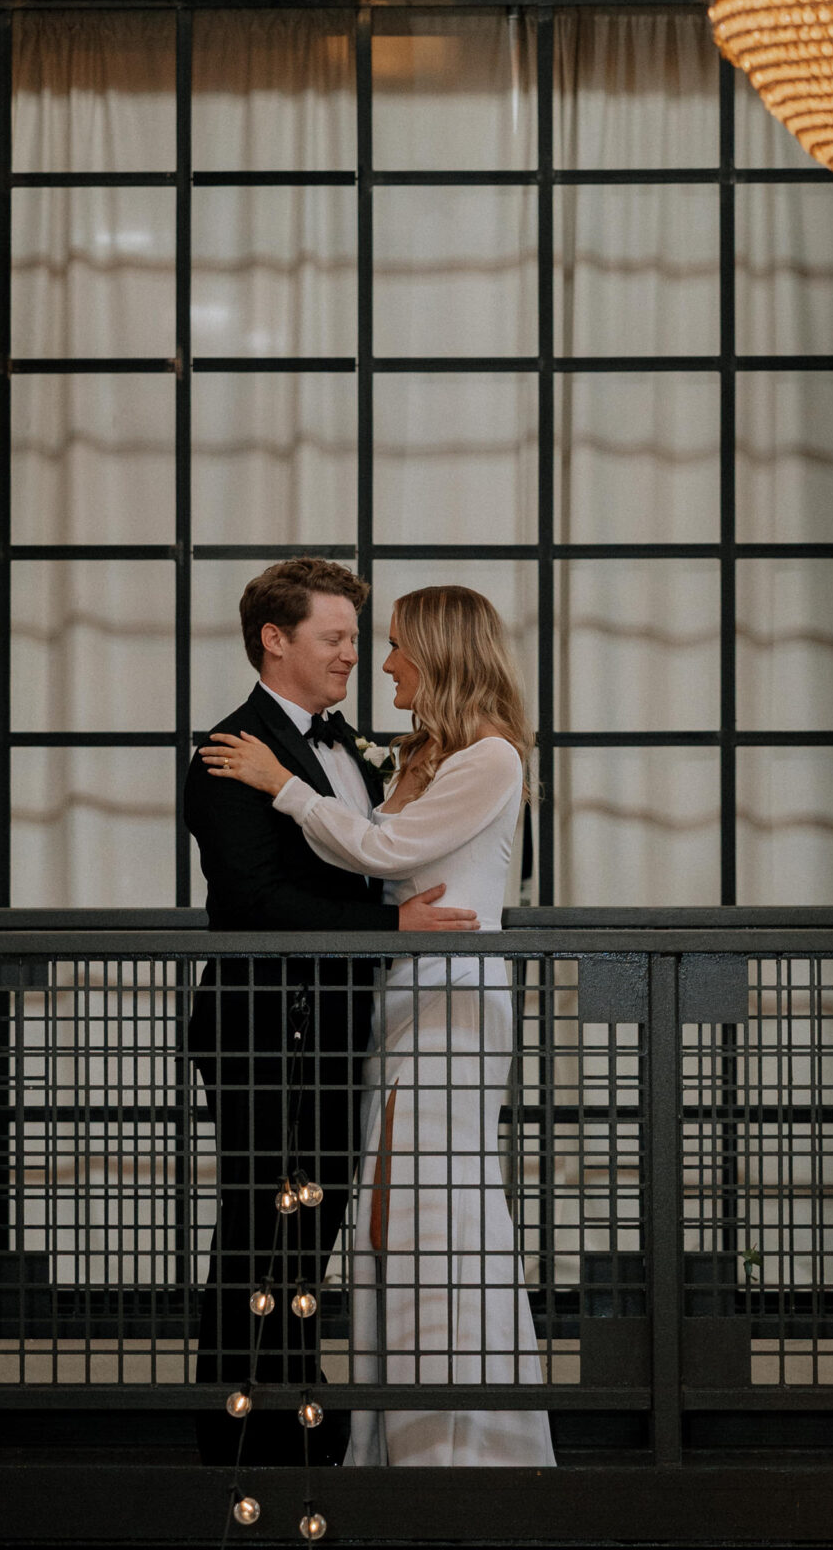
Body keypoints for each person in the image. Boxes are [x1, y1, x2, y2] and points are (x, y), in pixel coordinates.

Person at [198, 583, 555, 1470]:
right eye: (351, 638)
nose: (374, 660)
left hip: (442, 1005)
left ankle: (457, 1443)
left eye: (388, 644)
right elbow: (260, 891)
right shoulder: (407, 756)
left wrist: (285, 786)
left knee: (432, 1214)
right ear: (277, 640)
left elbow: (383, 856)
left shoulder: (486, 757)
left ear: (439, 655)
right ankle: (312, 1444)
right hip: (338, 1019)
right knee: (355, 1228)